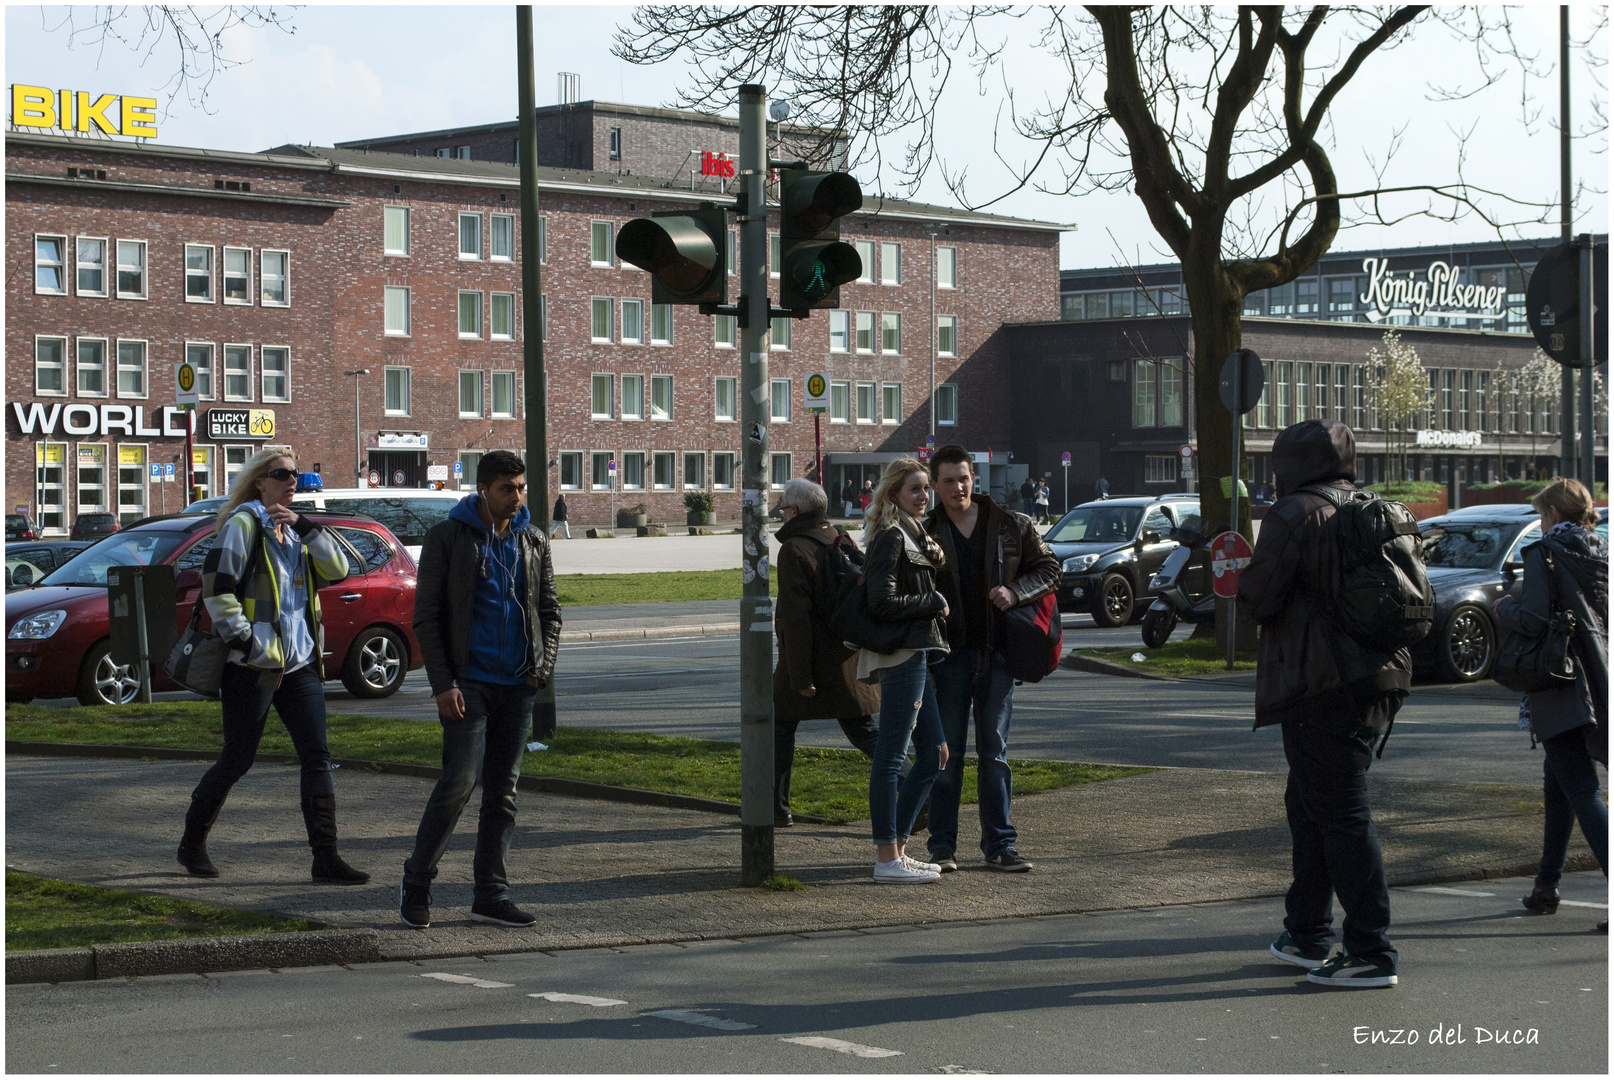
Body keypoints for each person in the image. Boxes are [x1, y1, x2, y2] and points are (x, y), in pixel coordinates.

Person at [1237, 418, 1407, 989]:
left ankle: (1369, 949)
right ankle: (1308, 930)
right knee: (1309, 804)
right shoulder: (1364, 504)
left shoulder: (1295, 513)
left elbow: (1258, 597)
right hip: (1376, 676)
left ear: (1289, 465)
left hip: (1318, 683)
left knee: (1340, 812)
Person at [177, 449, 368, 885]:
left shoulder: (294, 530)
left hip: (299, 663)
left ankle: (326, 858)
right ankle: (191, 844)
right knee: (238, 758)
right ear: (259, 482)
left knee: (317, 756)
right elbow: (218, 592)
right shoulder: (242, 526)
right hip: (253, 665)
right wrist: (248, 641)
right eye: (281, 474)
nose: (291, 481)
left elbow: (337, 569)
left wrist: (304, 526)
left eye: (295, 474)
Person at [400, 450, 562, 929]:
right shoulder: (447, 537)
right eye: (506, 489)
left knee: (503, 794)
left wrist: (541, 667)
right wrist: (443, 684)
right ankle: (417, 881)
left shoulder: (533, 539)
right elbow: (426, 618)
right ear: (483, 492)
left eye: (521, 487)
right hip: (467, 684)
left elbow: (550, 611)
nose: (517, 497)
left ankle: (490, 895)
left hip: (518, 684)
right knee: (457, 785)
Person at [923, 444, 1060, 873]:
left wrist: (1015, 591)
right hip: (949, 658)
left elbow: (1051, 568)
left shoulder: (1010, 525)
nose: (957, 486)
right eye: (948, 480)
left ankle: (1000, 845)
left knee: (994, 753)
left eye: (963, 478)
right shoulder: (924, 530)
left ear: (973, 478)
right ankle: (942, 848)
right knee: (947, 757)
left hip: (997, 655)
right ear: (934, 485)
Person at [1495, 478, 1608, 931]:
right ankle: (1546, 885)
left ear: (1554, 514)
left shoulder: (1543, 554)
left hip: (1559, 680)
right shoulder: (1599, 552)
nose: (1540, 520)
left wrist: (1505, 608)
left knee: (1581, 790)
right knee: (1559, 785)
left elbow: (1536, 616)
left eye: (1542, 513)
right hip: (1598, 676)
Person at [860, 459, 951, 884]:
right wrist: (931, 601)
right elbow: (880, 603)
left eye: (925, 488)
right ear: (894, 493)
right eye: (914, 489)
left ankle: (897, 849)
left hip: (918, 654)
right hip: (900, 655)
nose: (923, 495)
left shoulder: (914, 534)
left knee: (935, 753)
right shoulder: (891, 538)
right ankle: (886, 858)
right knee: (892, 756)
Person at [771, 478, 882, 827]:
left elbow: (796, 618)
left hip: (814, 661)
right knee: (861, 728)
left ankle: (775, 807)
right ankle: (774, 807)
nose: (781, 513)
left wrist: (799, 674)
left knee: (781, 725)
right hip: (846, 656)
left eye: (783, 507)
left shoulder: (794, 549)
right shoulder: (839, 539)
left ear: (794, 510)